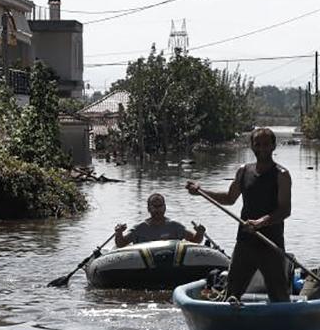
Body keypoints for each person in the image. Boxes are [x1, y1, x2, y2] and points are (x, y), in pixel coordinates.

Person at [187, 127, 292, 302]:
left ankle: (283, 323)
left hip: (271, 244)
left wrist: (260, 223)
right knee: (232, 293)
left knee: (279, 295)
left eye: (266, 144)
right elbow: (229, 198)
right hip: (245, 243)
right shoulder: (244, 171)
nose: (262, 148)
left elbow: (284, 210)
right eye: (258, 144)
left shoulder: (282, 175)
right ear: (252, 146)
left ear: (273, 146)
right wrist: (201, 191)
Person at [114, 192, 205, 247]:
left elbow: (195, 240)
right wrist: (119, 233)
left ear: (164, 207)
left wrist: (200, 232)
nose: (157, 209)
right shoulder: (140, 228)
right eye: (154, 206)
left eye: (160, 206)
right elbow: (121, 244)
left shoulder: (174, 226)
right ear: (149, 208)